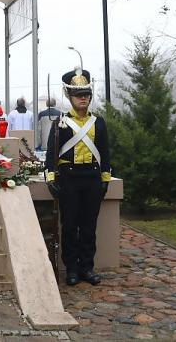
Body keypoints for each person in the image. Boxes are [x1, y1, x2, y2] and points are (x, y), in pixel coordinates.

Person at [45, 67, 111, 287]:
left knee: (89, 226)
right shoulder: (60, 123)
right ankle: (71, 269)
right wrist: (51, 179)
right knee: (70, 225)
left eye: (86, 94)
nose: (83, 98)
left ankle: (87, 268)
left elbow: (105, 152)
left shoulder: (98, 122)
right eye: (78, 95)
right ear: (69, 96)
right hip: (70, 179)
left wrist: (104, 179)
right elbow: (51, 153)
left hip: (91, 178)